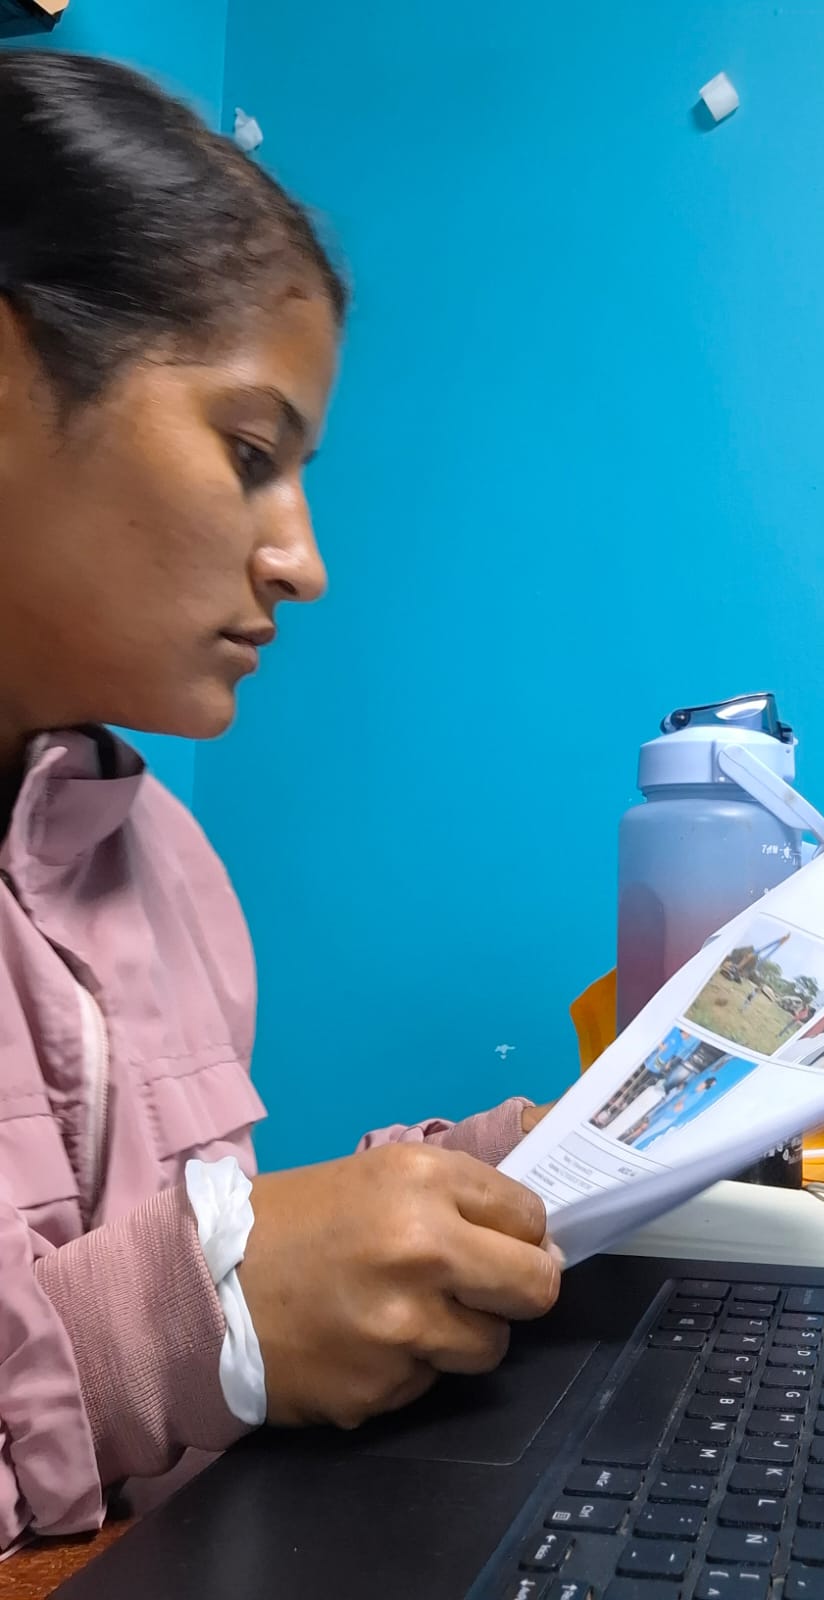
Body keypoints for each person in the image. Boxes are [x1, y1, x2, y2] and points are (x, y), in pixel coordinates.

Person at [0, 52, 561, 1554]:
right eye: (251, 455)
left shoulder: (163, 861)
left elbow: (186, 1278)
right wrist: (187, 1324)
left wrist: (478, 1196)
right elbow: (167, 1326)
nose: (301, 562)